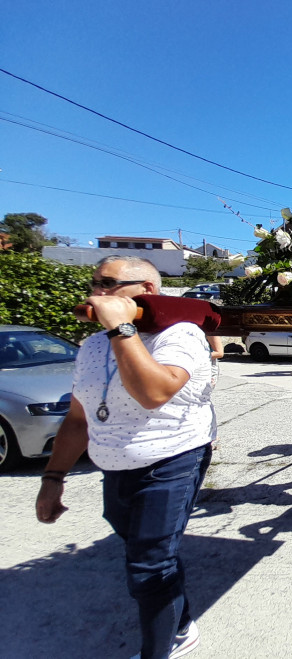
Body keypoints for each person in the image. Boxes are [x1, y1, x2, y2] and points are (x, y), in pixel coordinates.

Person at [35, 255, 214, 659]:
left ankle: (160, 651)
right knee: (150, 553)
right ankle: (181, 625)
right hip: (114, 464)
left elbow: (154, 392)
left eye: (108, 283)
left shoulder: (180, 334)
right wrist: (53, 478)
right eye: (94, 282)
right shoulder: (93, 344)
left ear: (146, 291)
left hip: (172, 458)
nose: (96, 292)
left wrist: (121, 327)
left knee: (148, 566)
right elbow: (79, 418)